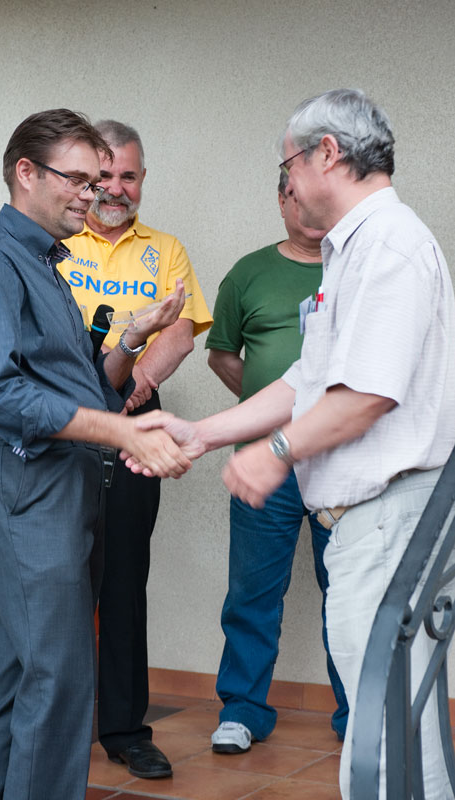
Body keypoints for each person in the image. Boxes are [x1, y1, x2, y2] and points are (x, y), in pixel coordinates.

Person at [126, 89, 455, 799]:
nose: (288, 184)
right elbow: (308, 380)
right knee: (387, 724)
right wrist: (202, 433)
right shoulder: (351, 251)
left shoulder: (389, 245)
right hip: (366, 521)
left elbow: (366, 395)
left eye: (288, 165)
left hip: (388, 518)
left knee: (387, 729)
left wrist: (274, 453)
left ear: (326, 154)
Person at [0, 108, 191, 800]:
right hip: (23, 483)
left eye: (97, 181)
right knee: (60, 673)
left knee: (24, 669)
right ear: (26, 172)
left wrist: (131, 337)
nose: (91, 195)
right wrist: (120, 434)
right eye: (77, 179)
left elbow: (87, 390)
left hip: (55, 484)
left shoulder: (44, 264)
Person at [57, 120, 212, 779]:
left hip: (134, 414)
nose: (115, 188)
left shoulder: (165, 250)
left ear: (142, 180)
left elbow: (181, 330)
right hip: (61, 419)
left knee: (123, 575)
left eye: (128, 176)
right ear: (84, 179)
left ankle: (124, 730)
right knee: (58, 576)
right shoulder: (55, 241)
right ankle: (54, 729)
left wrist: (136, 382)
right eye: (104, 176)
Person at [205, 172, 348, 754]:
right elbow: (222, 356)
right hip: (265, 464)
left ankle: (358, 716)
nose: (310, 209)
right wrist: (271, 413)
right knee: (252, 591)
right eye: (297, 197)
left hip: (342, 461)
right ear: (282, 199)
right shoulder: (248, 273)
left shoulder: (355, 267)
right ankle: (242, 710)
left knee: (349, 593)